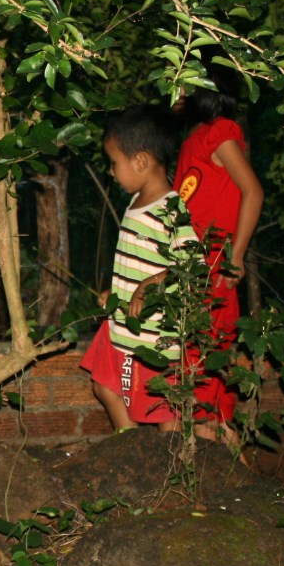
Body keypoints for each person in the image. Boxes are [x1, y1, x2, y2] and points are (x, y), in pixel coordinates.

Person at [82, 105, 198, 431]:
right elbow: (136, 259)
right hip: (121, 325)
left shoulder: (171, 209)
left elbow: (193, 264)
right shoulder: (136, 203)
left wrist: (150, 286)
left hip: (151, 336)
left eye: (113, 163)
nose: (111, 171)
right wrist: (116, 291)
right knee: (105, 385)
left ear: (140, 162)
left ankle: (163, 465)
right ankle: (130, 449)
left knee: (161, 407)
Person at [173, 62, 264, 431]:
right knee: (194, 361)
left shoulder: (220, 132)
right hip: (192, 271)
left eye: (182, 87)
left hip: (216, 269)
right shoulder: (192, 139)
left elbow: (253, 191)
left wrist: (235, 257)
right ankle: (216, 462)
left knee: (206, 360)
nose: (175, 95)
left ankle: (218, 454)